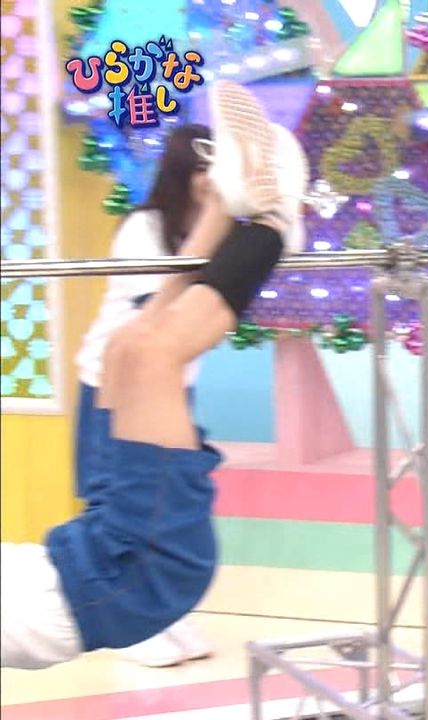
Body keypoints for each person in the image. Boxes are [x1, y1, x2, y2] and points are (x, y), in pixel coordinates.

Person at [0, 80, 307, 670]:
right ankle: (275, 219)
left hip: (91, 558)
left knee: (133, 348)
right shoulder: (143, 226)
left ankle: (253, 207)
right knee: (149, 354)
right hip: (133, 572)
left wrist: (220, 212)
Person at [73, 123, 217, 667]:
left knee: (167, 502)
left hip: (173, 390)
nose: (209, 180)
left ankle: (162, 613)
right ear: (181, 173)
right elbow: (158, 313)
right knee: (116, 500)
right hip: (111, 386)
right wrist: (214, 228)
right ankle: (127, 627)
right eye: (200, 169)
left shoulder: (209, 229)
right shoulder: (144, 227)